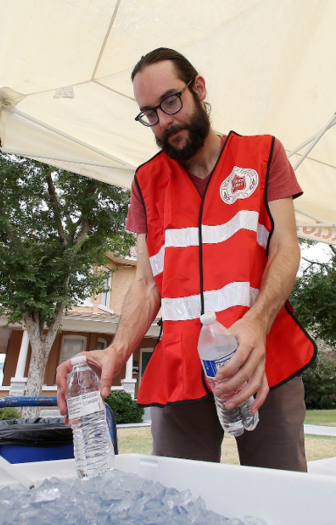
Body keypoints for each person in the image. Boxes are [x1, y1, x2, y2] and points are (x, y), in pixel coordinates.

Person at [57, 48, 316, 471]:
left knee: (281, 497)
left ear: (198, 88)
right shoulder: (145, 182)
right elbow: (145, 284)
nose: (164, 121)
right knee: (178, 500)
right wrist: (117, 352)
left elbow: (286, 247)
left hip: (266, 354)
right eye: (149, 113)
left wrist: (255, 322)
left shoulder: (264, 153)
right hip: (178, 368)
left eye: (171, 102)